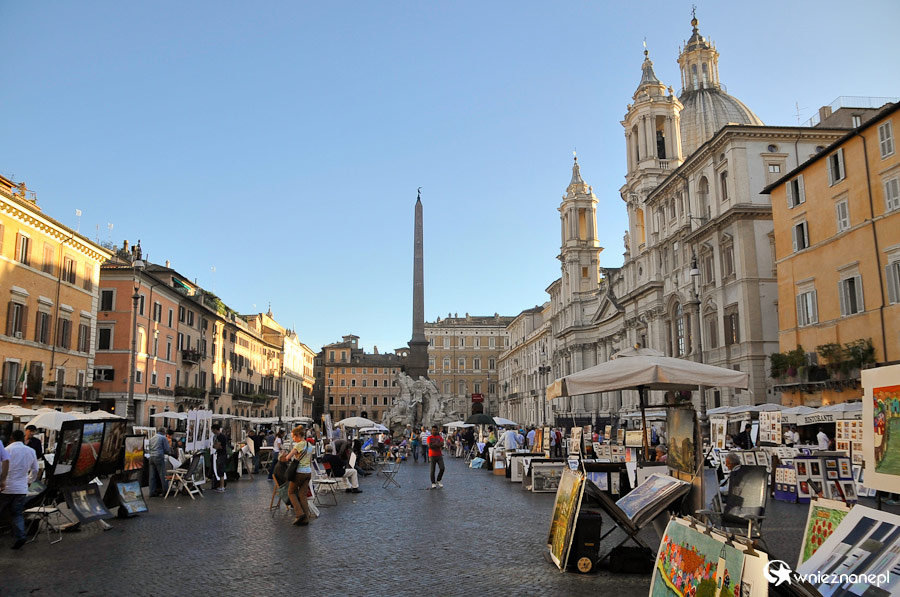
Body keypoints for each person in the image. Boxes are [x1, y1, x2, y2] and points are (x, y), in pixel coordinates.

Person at [0, 430, 39, 550]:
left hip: (6, 487)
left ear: (11, 438)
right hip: (21, 488)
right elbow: (36, 469)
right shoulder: (31, 451)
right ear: (23, 438)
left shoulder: (7, 450)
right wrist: (29, 481)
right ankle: (21, 535)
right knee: (17, 513)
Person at [280, 425, 313, 526]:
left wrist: (285, 454)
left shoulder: (298, 445)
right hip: (308, 472)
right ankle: (306, 518)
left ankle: (299, 513)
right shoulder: (309, 445)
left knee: (291, 492)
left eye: (293, 437)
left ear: (298, 436)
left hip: (299, 472)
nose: (293, 439)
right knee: (302, 495)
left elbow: (288, 457)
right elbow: (310, 460)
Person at [147, 427, 171, 497]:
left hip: (151, 457)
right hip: (159, 456)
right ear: (164, 432)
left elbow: (150, 448)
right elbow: (167, 449)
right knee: (162, 474)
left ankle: (152, 491)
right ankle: (165, 491)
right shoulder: (163, 438)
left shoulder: (152, 438)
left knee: (152, 476)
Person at [211, 424, 228, 493]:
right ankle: (221, 486)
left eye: (212, 430)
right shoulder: (220, 436)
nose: (212, 431)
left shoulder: (220, 436)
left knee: (221, 470)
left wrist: (215, 445)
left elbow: (216, 446)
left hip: (221, 455)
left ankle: (222, 486)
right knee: (220, 470)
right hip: (221, 454)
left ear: (215, 429)